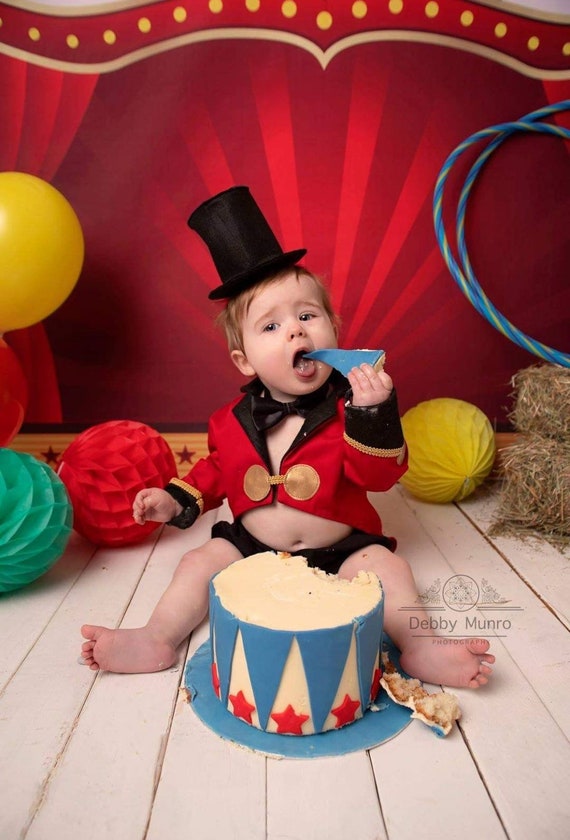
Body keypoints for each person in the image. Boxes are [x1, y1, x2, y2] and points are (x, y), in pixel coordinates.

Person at [81, 186, 494, 688]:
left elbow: (380, 477)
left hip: (342, 547)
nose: (296, 333)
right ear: (245, 360)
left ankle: (421, 647)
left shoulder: (351, 408)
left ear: (334, 331)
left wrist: (374, 413)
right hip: (252, 543)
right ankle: (157, 637)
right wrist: (174, 502)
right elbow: (215, 471)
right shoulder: (229, 419)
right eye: (271, 325)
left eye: (307, 316)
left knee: (389, 570)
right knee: (196, 562)